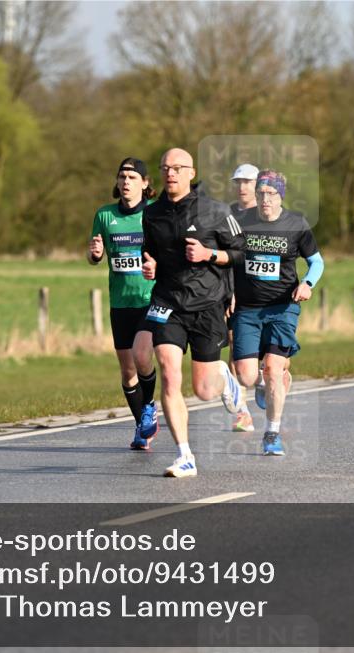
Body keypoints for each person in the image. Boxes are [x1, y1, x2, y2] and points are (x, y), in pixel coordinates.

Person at [133, 147, 245, 478]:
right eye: (165, 168)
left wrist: (210, 254)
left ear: (191, 173)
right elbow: (148, 251)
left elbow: (240, 253)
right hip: (168, 301)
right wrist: (148, 264)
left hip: (208, 303)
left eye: (177, 168)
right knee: (168, 370)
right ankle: (185, 455)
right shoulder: (151, 214)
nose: (171, 173)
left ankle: (223, 377)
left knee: (204, 390)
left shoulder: (215, 211)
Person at [231, 170, 324, 456]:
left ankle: (271, 433)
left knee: (273, 367)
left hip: (283, 307)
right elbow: (228, 261)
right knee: (246, 376)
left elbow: (317, 262)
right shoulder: (242, 223)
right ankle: (263, 381)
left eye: (270, 194)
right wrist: (227, 293)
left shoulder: (296, 224)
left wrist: (307, 283)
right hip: (247, 308)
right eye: (260, 194)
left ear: (280, 196)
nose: (264, 200)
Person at [88, 157, 158, 450]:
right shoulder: (104, 215)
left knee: (143, 358)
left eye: (132, 177)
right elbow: (94, 257)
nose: (126, 181)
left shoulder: (155, 214)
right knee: (127, 371)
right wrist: (95, 253)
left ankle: (150, 405)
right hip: (120, 301)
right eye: (121, 177)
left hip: (150, 298)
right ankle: (142, 424)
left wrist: (158, 265)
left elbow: (169, 250)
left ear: (144, 184)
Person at [226, 163, 259, 433]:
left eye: (247, 182)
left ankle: (268, 377)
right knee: (234, 346)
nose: (242, 187)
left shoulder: (268, 214)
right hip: (235, 289)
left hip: (264, 290)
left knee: (270, 351)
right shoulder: (227, 214)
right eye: (238, 182)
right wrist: (228, 290)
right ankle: (242, 412)